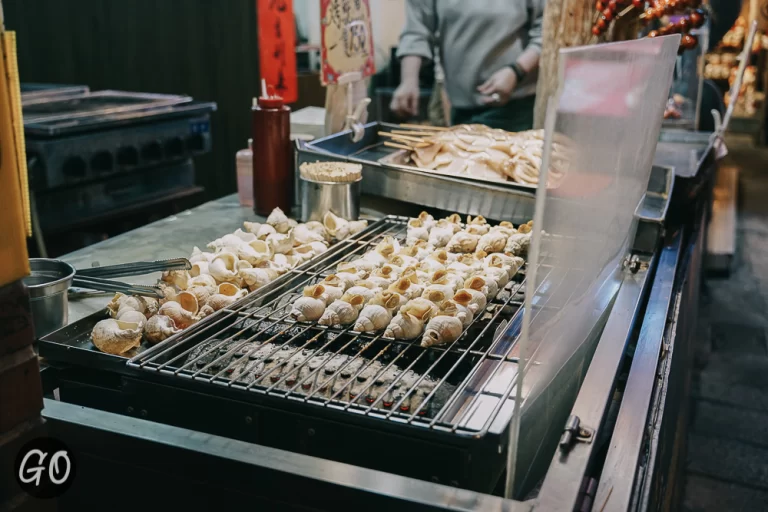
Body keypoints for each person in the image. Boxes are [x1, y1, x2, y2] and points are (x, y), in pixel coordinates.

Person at [390, 0, 544, 132]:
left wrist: (517, 70)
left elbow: (545, 30)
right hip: (461, 107)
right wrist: (408, 81)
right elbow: (417, 30)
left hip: (516, 107)